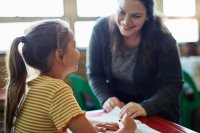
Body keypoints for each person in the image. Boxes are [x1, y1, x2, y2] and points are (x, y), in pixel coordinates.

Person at [4, 19, 136, 133]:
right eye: (74, 46)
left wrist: (88, 123)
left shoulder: (31, 85)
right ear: (60, 56)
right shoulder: (57, 90)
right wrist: (127, 129)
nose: (77, 52)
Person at [86, 0, 183, 123]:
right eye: (121, 12)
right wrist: (106, 99)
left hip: (157, 112)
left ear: (148, 15)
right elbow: (95, 74)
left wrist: (145, 107)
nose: (126, 21)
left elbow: (173, 85)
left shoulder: (163, 38)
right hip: (119, 113)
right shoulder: (101, 29)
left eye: (136, 16)